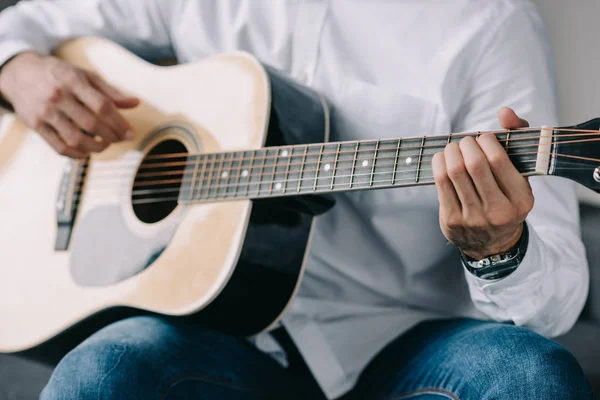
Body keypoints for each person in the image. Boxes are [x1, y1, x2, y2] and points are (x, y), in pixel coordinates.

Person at [0, 1, 593, 399]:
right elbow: (24, 22)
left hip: (402, 336)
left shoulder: (485, 22)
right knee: (100, 371)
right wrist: (19, 69)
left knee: (528, 376)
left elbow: (555, 305)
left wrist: (497, 247)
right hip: (210, 329)